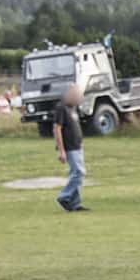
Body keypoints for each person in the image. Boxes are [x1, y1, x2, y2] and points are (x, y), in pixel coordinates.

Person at [53, 83, 86, 212]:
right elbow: (57, 128)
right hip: (69, 147)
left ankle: (73, 204)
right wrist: (61, 150)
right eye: (76, 95)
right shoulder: (61, 108)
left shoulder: (73, 107)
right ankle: (64, 196)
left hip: (77, 146)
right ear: (68, 94)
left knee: (74, 174)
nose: (78, 97)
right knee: (79, 173)